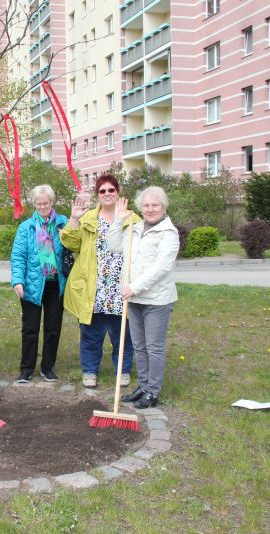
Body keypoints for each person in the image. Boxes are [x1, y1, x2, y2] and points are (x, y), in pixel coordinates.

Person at [60, 174, 135, 389]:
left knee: (123, 334)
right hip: (95, 288)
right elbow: (71, 243)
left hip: (121, 288)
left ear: (118, 192)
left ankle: (123, 370)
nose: (107, 194)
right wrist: (74, 219)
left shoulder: (132, 218)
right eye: (102, 191)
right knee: (91, 334)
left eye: (111, 190)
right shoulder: (88, 219)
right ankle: (90, 371)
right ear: (97, 195)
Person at [110, 187, 179, 409]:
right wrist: (118, 222)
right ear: (141, 208)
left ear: (164, 207)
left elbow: (161, 267)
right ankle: (143, 385)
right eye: (146, 205)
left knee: (154, 347)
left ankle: (153, 391)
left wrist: (134, 288)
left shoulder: (169, 233)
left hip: (156, 300)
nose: (150, 209)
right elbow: (114, 247)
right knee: (139, 345)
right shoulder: (135, 229)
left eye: (155, 205)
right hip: (135, 298)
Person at [10, 185, 68, 383]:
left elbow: (73, 244)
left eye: (46, 202)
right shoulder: (26, 227)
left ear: (52, 202)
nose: (43, 206)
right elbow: (18, 256)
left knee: (53, 327)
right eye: (39, 203)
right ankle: (26, 369)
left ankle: (47, 367)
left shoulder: (62, 223)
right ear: (34, 204)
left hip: (55, 284)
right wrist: (18, 281)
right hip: (32, 284)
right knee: (30, 328)